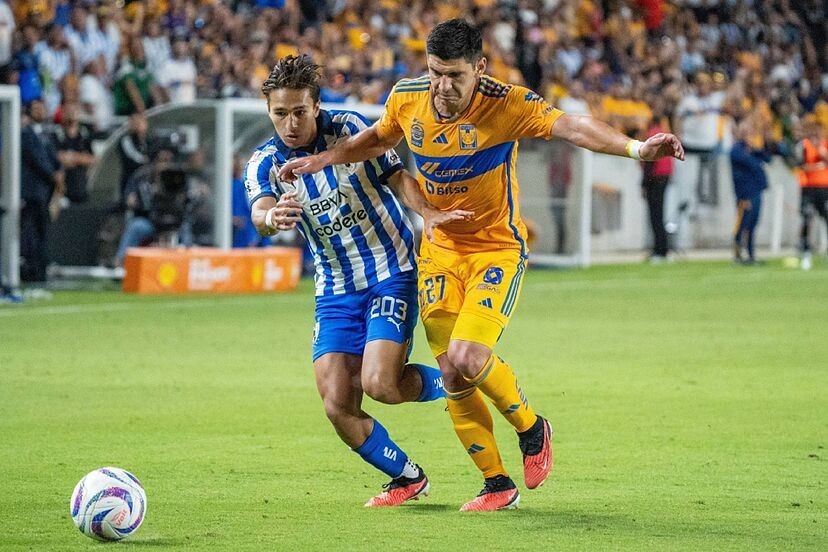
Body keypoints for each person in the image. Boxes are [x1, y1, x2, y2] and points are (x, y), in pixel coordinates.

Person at [279, 19, 684, 511]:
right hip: (439, 255)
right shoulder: (408, 97)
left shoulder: (507, 103)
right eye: (435, 74)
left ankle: (532, 428)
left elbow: (572, 126)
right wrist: (324, 160)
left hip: (495, 249)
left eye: (454, 75)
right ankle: (497, 484)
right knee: (452, 375)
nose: (443, 87)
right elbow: (380, 139)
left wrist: (636, 148)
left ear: (479, 68)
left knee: (469, 356)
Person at [247, 55, 469, 507]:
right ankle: (407, 478)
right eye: (279, 114)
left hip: (391, 271)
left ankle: (456, 382)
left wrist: (427, 213)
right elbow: (260, 214)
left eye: (299, 112)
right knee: (336, 403)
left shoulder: (349, 128)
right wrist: (272, 216)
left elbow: (397, 176)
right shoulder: (264, 162)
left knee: (381, 385)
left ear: (316, 105)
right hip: (334, 290)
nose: (290, 124)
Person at [20, 99, 63, 283]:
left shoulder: (46, 134)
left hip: (45, 191)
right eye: (36, 109)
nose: (40, 112)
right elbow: (38, 161)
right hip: (32, 191)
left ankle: (40, 271)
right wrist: (53, 175)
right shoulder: (26, 134)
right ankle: (31, 271)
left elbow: (54, 158)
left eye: (42, 108)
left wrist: (59, 171)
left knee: (42, 232)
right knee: (31, 232)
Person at [730, 122, 771, 265]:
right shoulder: (736, 150)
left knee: (752, 224)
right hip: (745, 193)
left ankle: (751, 254)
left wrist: (760, 146)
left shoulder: (752, 150)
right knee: (743, 224)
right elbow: (750, 163)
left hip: (756, 190)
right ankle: (738, 254)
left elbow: (767, 158)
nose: (750, 136)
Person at [641, 102, 674, 262]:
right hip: (665, 176)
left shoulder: (652, 134)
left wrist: (644, 184)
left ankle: (660, 250)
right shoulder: (664, 134)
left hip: (655, 178)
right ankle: (662, 249)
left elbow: (649, 161)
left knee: (655, 215)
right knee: (660, 214)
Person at [796, 117, 828, 270]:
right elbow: (801, 166)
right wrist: (819, 165)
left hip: (824, 188)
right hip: (809, 188)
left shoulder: (825, 145)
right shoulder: (804, 146)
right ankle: (806, 252)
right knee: (807, 218)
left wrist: (822, 156)